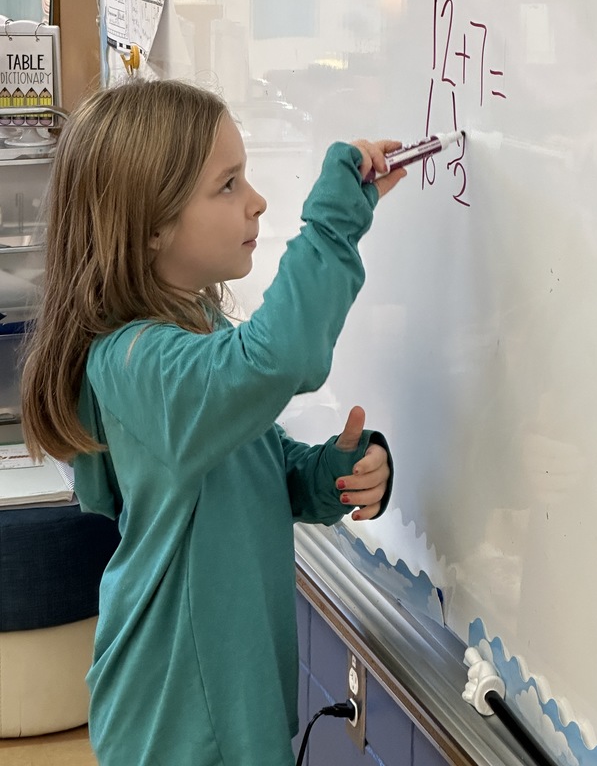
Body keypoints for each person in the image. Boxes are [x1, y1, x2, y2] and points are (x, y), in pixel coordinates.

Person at [21, 78, 405, 766]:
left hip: (223, 702)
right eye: (228, 185)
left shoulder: (191, 333)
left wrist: (325, 476)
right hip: (179, 719)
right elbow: (277, 357)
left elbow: (250, 465)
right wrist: (336, 220)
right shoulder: (138, 362)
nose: (256, 201)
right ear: (150, 228)